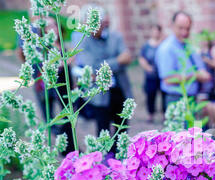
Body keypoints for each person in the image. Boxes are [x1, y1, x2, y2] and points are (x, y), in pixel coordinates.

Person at [75, 5, 133, 148]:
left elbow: (127, 58)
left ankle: (121, 154)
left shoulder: (116, 37)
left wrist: (105, 66)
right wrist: (117, 61)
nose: (95, 27)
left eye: (97, 23)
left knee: (122, 127)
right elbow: (92, 67)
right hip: (99, 94)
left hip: (120, 89)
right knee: (103, 129)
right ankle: (106, 158)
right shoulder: (82, 42)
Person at [17, 16, 75, 154]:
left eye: (54, 25)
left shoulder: (60, 43)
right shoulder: (43, 46)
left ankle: (70, 145)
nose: (53, 29)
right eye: (49, 27)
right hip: (47, 84)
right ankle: (61, 145)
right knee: (51, 114)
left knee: (68, 114)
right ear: (43, 30)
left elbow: (70, 60)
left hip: (64, 83)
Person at [155, 11, 211, 112]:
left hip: (194, 100)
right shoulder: (166, 48)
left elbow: (201, 69)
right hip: (176, 101)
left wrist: (203, 73)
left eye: (188, 29)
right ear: (172, 26)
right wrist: (194, 76)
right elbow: (167, 80)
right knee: (179, 128)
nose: (184, 33)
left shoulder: (189, 45)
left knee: (196, 127)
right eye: (180, 28)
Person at [139, 23, 163, 123]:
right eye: (153, 31)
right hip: (150, 75)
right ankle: (150, 114)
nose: (155, 33)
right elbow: (142, 58)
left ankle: (164, 114)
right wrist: (147, 67)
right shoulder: (146, 46)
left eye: (157, 31)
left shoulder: (163, 44)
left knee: (163, 95)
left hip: (161, 75)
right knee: (150, 95)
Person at [199, 29, 215, 101]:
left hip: (212, 80)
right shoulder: (200, 50)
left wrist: (205, 60)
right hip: (203, 82)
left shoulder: (213, 49)